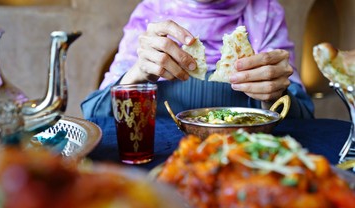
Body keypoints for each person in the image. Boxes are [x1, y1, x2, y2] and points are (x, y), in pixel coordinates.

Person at [81, 0, 314, 120]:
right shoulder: (149, 14)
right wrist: (137, 75)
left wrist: (274, 95)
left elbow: (304, 120)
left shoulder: (265, 13)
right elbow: (95, 115)